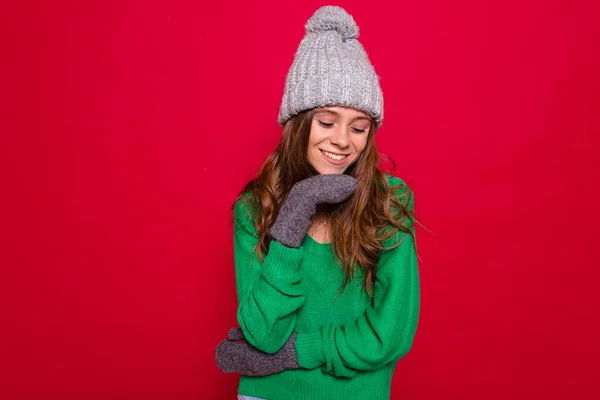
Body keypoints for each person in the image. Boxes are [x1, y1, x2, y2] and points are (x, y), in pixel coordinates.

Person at [215, 5, 420, 400]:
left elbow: (390, 334)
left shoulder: (389, 202)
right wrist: (293, 215)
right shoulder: (254, 210)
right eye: (327, 122)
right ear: (297, 124)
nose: (343, 140)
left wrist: (295, 353)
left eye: (359, 127)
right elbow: (263, 333)